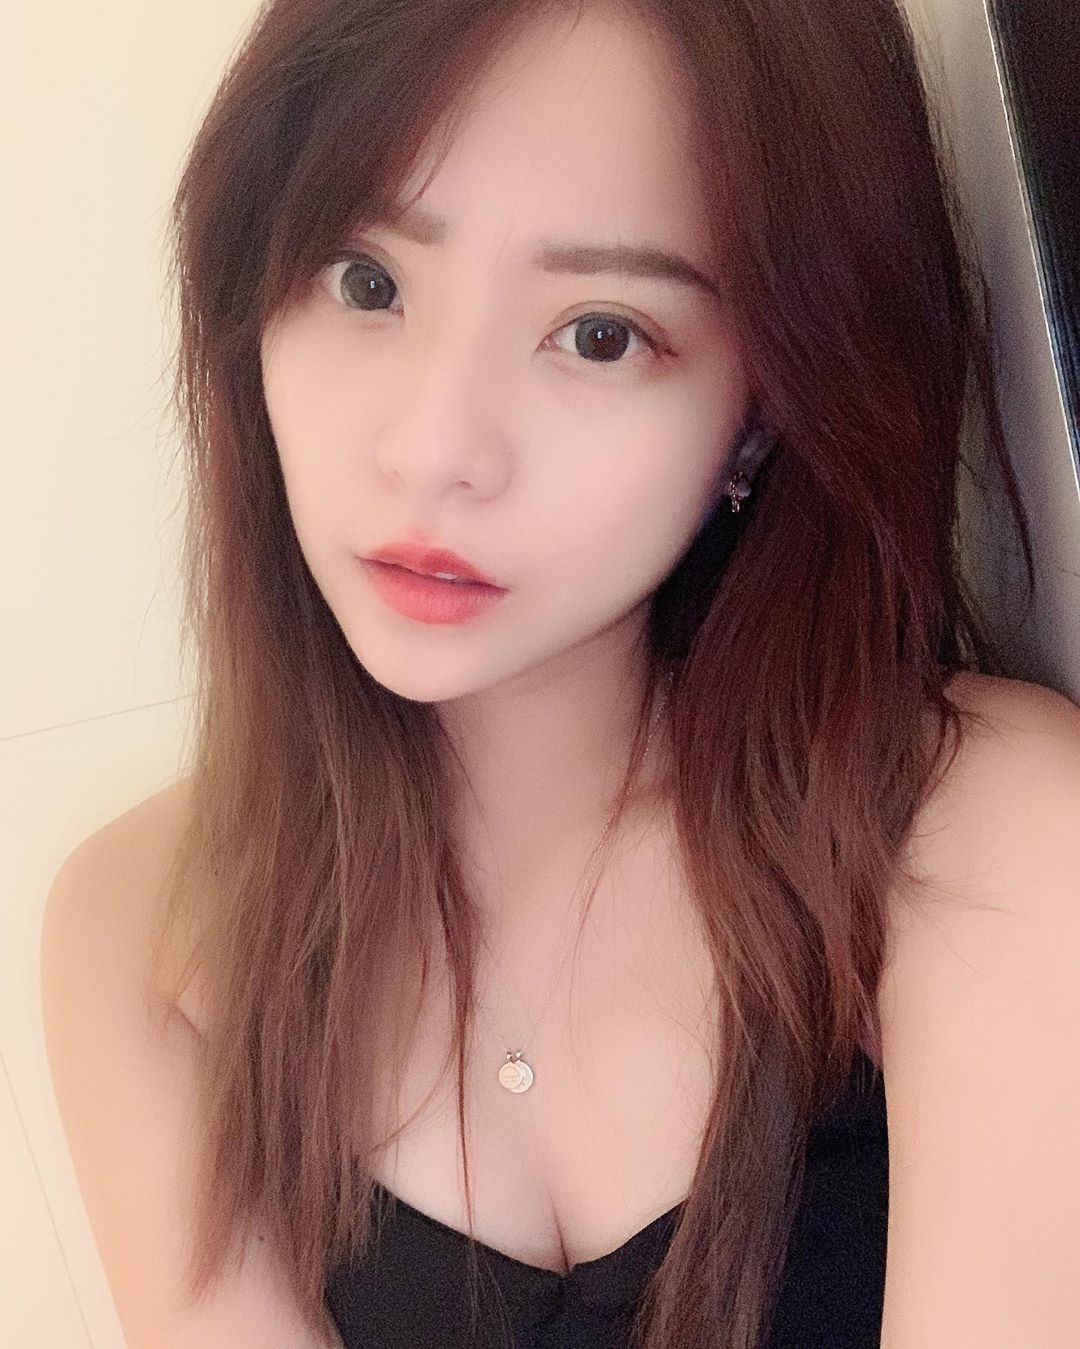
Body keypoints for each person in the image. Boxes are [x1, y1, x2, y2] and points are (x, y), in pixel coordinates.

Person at [40, 0, 1080, 1346]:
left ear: (762, 412)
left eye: (600, 333)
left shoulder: (975, 836)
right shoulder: (149, 930)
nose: (432, 448)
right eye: (366, 282)